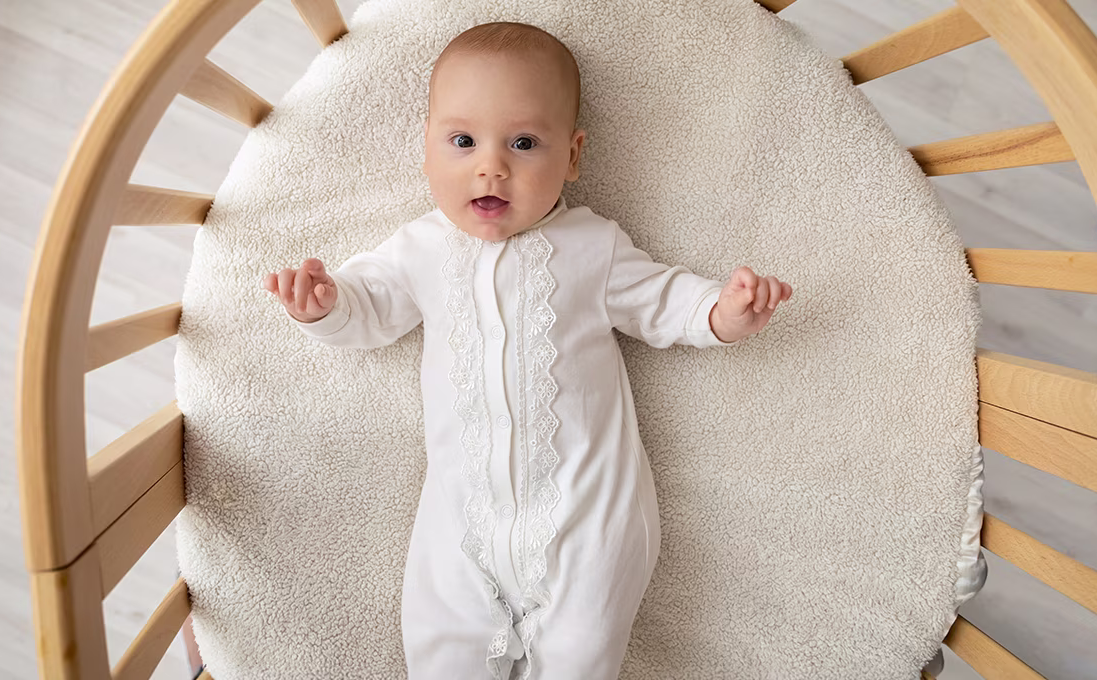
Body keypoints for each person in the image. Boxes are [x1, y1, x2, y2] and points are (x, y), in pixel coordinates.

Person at [264, 21, 792, 680]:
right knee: (438, 644)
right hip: (461, 517)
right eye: (463, 142)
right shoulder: (419, 248)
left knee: (581, 649)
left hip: (587, 515)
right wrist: (324, 305)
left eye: (523, 143)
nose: (491, 166)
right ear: (426, 150)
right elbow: (368, 311)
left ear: (572, 156)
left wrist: (722, 312)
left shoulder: (593, 246)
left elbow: (662, 300)